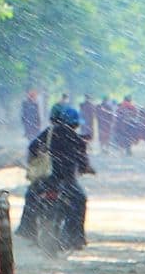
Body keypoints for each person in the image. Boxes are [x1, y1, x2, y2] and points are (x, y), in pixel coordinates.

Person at [18, 101, 92, 251]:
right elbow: (83, 163)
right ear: (74, 123)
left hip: (46, 180)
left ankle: (27, 230)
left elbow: (32, 149)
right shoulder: (77, 139)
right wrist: (86, 169)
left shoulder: (49, 133)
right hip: (67, 181)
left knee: (30, 196)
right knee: (80, 201)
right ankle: (76, 238)